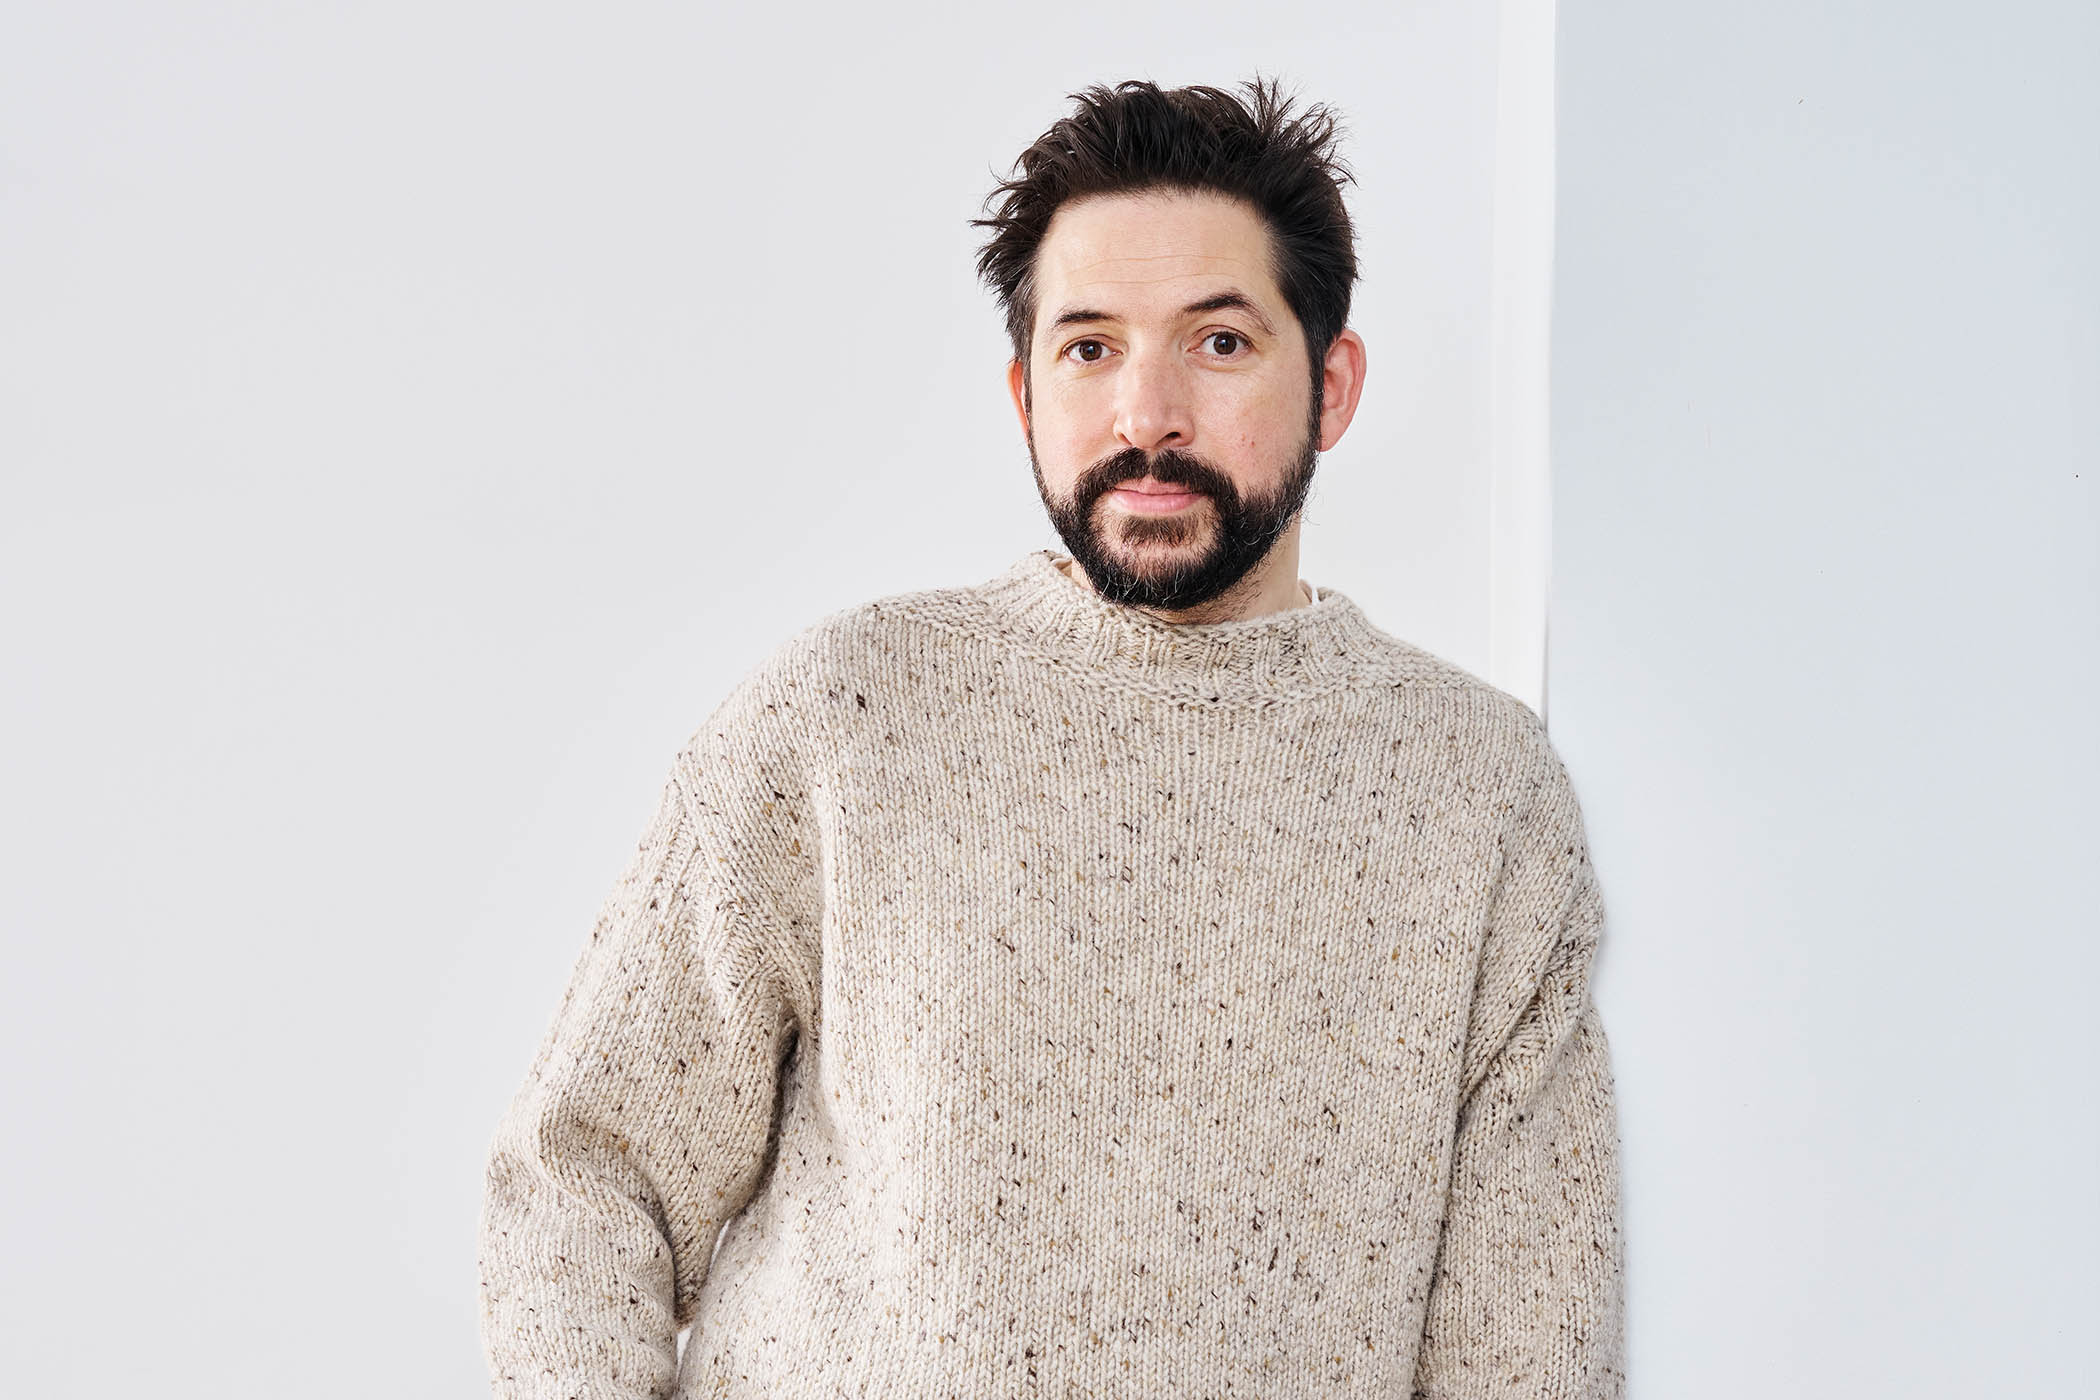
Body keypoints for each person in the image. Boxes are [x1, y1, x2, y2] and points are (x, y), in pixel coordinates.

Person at [477, 75, 1627, 1399]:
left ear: (1333, 383)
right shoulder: (849, 715)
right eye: (1090, 349)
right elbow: (586, 1176)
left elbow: (1526, 1348)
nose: (1147, 416)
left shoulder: (1476, 792)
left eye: (1220, 343)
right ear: (1026, 393)